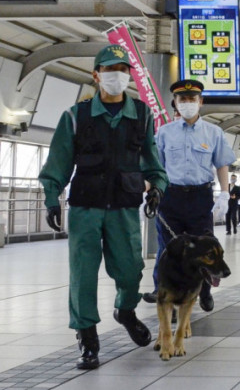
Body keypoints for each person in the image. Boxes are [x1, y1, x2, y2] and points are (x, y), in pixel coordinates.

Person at [39, 44, 168, 370]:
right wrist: (52, 197)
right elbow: (58, 161)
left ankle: (125, 310)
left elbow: (152, 162)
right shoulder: (76, 116)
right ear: (96, 76)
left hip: (124, 207)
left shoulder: (142, 115)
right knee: (83, 275)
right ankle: (88, 338)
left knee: (130, 270)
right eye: (110, 71)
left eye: (123, 70)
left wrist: (156, 188)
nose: (117, 76)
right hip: (86, 207)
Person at [142, 79, 236, 313]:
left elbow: (222, 164)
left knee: (204, 248)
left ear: (200, 102)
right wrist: (149, 191)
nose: (187, 103)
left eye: (192, 99)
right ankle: (163, 293)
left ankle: (204, 291)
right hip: (170, 196)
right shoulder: (163, 133)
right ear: (175, 103)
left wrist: (224, 194)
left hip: (200, 198)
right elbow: (156, 168)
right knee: (168, 248)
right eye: (182, 99)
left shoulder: (213, 132)